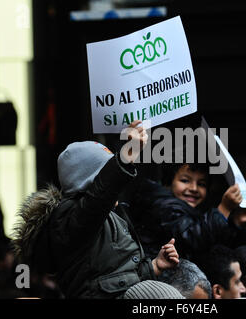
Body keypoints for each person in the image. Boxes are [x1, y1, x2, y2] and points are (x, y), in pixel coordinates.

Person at [12, 120, 179, 299]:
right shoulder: (71, 218)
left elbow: (121, 276)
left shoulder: (112, 217)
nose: (118, 186)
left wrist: (155, 266)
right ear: (90, 183)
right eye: (107, 174)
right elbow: (100, 195)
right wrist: (125, 156)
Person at [127, 159, 246, 263]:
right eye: (185, 180)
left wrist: (235, 222)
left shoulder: (194, 212)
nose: (194, 188)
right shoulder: (163, 206)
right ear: (168, 182)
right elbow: (192, 237)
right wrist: (224, 209)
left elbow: (213, 246)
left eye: (201, 184)